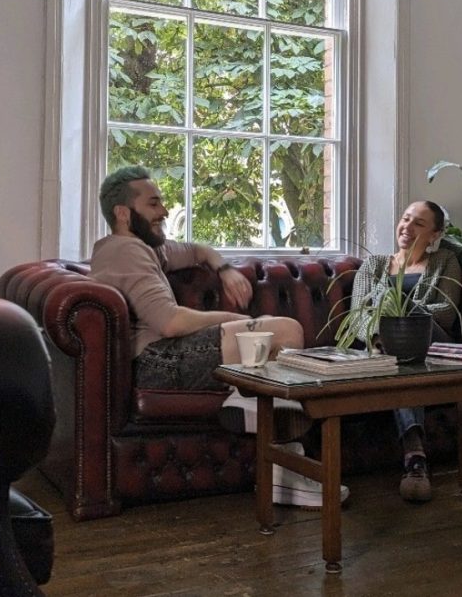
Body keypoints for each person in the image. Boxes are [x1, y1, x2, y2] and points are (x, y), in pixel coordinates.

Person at [91, 165, 349, 509]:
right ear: (123, 213)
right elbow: (169, 322)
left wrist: (224, 268)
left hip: (166, 355)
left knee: (273, 341)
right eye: (154, 204)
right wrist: (242, 320)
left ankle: (263, 433)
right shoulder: (125, 250)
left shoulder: (149, 247)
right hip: (157, 361)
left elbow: (197, 250)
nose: (165, 211)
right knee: (284, 330)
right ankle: (274, 452)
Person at [346, 200, 462, 503]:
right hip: (383, 348)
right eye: (405, 219)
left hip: (431, 342)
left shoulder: (446, 261)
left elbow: (447, 312)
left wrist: (401, 309)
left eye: (419, 224)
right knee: (395, 351)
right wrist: (376, 337)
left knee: (402, 331)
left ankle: (414, 455)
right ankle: (415, 456)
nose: (407, 227)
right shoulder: (374, 265)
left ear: (435, 234)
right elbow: (358, 313)